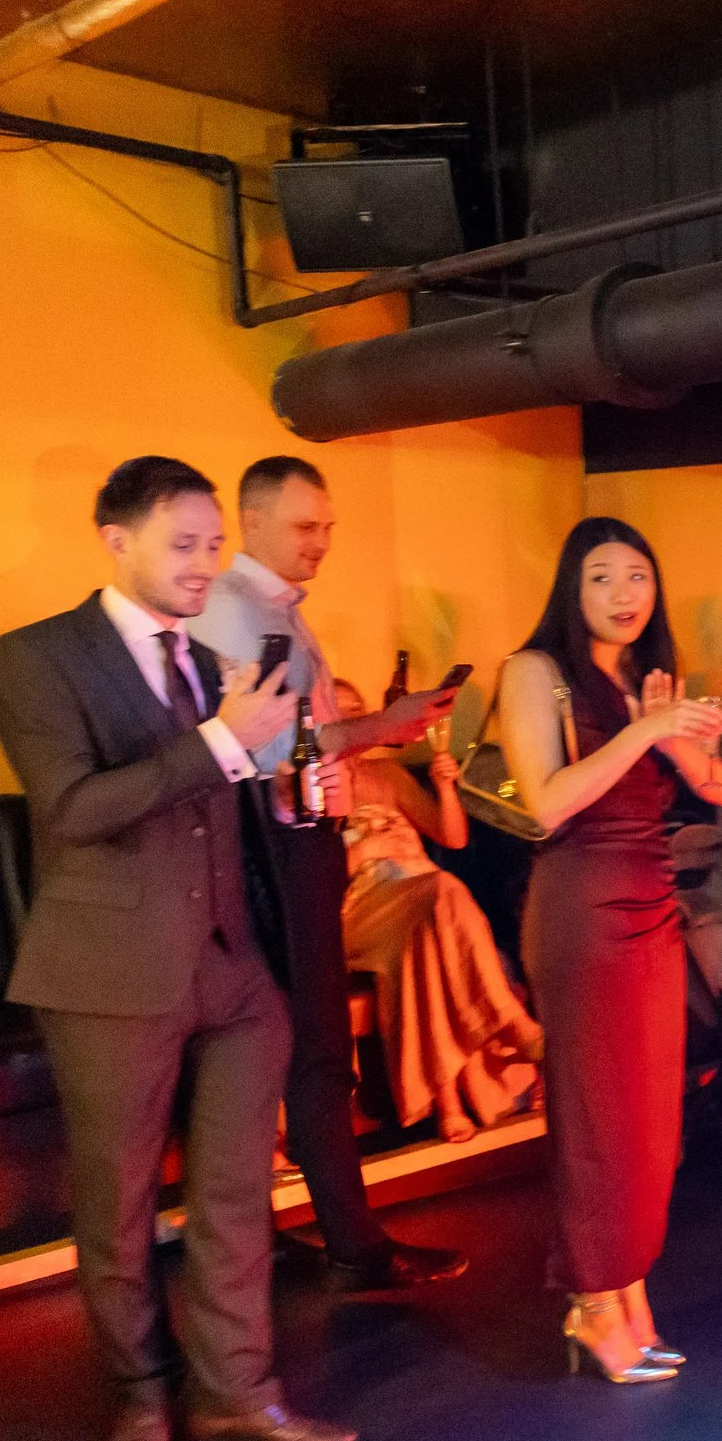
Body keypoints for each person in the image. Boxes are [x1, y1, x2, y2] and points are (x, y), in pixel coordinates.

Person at [0, 456, 355, 1441]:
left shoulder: (203, 660)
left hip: (230, 970)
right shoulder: (34, 656)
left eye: (212, 544)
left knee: (238, 1195)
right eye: (183, 544)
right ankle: (141, 1393)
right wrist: (224, 741)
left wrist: (288, 786)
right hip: (108, 972)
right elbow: (73, 809)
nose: (204, 564)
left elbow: (217, 799)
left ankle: (237, 1393)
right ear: (116, 540)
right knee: (121, 1201)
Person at [190, 455, 467, 1295]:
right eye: (306, 526)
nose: (322, 542)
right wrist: (375, 730)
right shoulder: (238, 610)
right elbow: (277, 752)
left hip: (295, 841)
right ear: (254, 522)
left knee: (295, 1048)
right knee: (313, 1048)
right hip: (279, 845)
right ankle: (352, 1245)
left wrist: (383, 725)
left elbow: (301, 743)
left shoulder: (272, 610)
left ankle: (295, 1237)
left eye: (329, 527)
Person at [500, 517, 722, 1384]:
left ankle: (629, 1292)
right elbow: (544, 803)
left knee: (648, 1121)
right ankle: (593, 1301)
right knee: (599, 1114)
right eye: (603, 576)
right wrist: (641, 733)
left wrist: (679, 740)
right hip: (582, 909)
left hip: (652, 900)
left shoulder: (644, 677)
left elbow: (718, 785)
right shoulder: (534, 670)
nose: (624, 594)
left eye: (638, 576)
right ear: (573, 586)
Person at [331, 679, 541, 1143]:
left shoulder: (387, 777)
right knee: (443, 893)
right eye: (339, 713)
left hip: (421, 902)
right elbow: (300, 881)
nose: (351, 721)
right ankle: (509, 1020)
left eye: (357, 711)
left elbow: (453, 837)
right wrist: (368, 850)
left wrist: (445, 787)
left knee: (429, 949)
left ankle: (449, 1105)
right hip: (358, 910)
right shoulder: (309, 784)